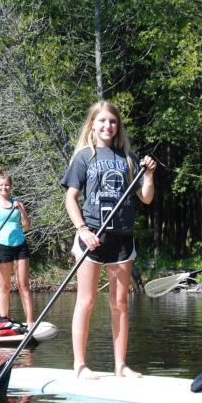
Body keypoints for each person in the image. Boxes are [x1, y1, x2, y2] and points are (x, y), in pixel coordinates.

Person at [61, 101, 156, 379]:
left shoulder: (128, 158)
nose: (107, 126)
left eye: (112, 122)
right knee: (86, 301)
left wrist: (148, 174)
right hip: (92, 237)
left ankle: (121, 365)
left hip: (122, 237)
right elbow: (71, 197)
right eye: (102, 121)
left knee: (120, 303)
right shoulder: (83, 157)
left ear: (118, 126)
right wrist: (82, 230)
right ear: (93, 124)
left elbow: (146, 197)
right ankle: (80, 364)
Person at [0, 167, 33, 324]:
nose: (4, 188)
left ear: (11, 186)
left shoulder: (17, 203)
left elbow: (27, 225)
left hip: (20, 245)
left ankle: (30, 322)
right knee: (4, 288)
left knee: (23, 285)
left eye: (7, 185)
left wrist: (21, 210)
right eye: (1, 185)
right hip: (0, 247)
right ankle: (5, 322)